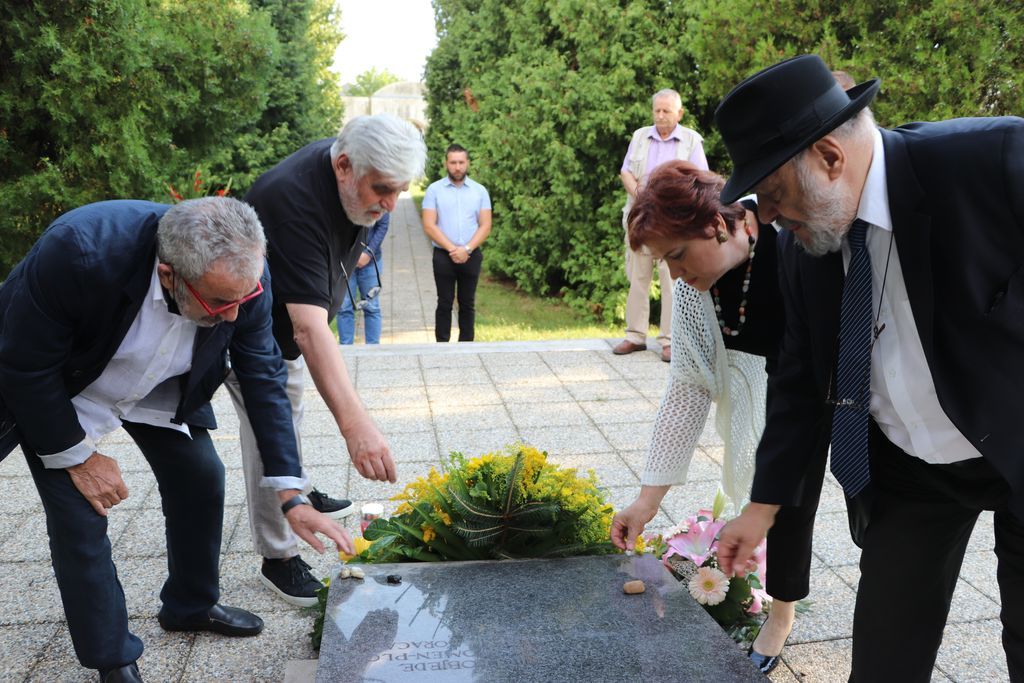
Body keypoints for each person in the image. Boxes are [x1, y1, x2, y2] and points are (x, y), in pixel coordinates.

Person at [712, 54, 1024, 680]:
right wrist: (762, 507)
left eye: (773, 194)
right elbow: (799, 382)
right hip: (914, 472)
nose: (767, 217)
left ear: (830, 157)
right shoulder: (810, 243)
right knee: (884, 661)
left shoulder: (991, 161)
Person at [0, 198, 351, 683]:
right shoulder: (79, 251)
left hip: (157, 384)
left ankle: (190, 604)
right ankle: (113, 659)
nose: (232, 318)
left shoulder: (243, 277)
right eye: (219, 304)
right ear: (169, 276)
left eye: (241, 302)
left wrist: (292, 494)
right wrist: (80, 458)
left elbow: (263, 376)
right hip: (65, 385)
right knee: (82, 514)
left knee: (202, 476)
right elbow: (24, 365)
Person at [609, 160, 804, 673]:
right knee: (775, 491)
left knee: (796, 496)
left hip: (815, 386)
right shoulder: (696, 291)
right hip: (777, 392)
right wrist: (646, 501)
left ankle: (784, 607)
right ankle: (781, 613)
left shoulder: (790, 245)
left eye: (676, 255)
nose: (673, 275)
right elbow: (689, 388)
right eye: (663, 262)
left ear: (717, 224)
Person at [232, 113, 425, 608]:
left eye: (400, 191)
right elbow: (307, 328)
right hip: (249, 335)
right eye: (383, 190)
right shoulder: (294, 201)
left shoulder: (353, 167)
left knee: (290, 411)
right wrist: (356, 425)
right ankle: (278, 556)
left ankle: (302, 488)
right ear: (343, 166)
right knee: (267, 428)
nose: (390, 205)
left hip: (290, 322)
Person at [614, 89, 709, 363]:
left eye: (666, 111)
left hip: (673, 222)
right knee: (638, 277)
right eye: (656, 110)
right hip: (640, 217)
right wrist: (639, 194)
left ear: (679, 113)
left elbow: (699, 179)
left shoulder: (691, 140)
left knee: (671, 281)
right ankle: (635, 336)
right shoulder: (640, 136)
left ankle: (669, 341)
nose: (660, 116)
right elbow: (625, 171)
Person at [421, 143, 492, 342]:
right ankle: (442, 346)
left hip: (471, 253)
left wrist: (467, 249)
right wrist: (453, 249)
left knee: (467, 302)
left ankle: (467, 345)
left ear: (467, 163)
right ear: (446, 164)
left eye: (461, 162)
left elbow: (485, 226)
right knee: (444, 301)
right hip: (444, 255)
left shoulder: (480, 191)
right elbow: (429, 225)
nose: (457, 167)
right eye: (453, 162)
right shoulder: (434, 190)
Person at [336, 212, 389, 344]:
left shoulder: (378, 194)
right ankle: (346, 350)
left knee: (372, 307)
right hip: (345, 261)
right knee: (344, 308)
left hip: (370, 261)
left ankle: (373, 350)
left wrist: (368, 253)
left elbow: (382, 225)